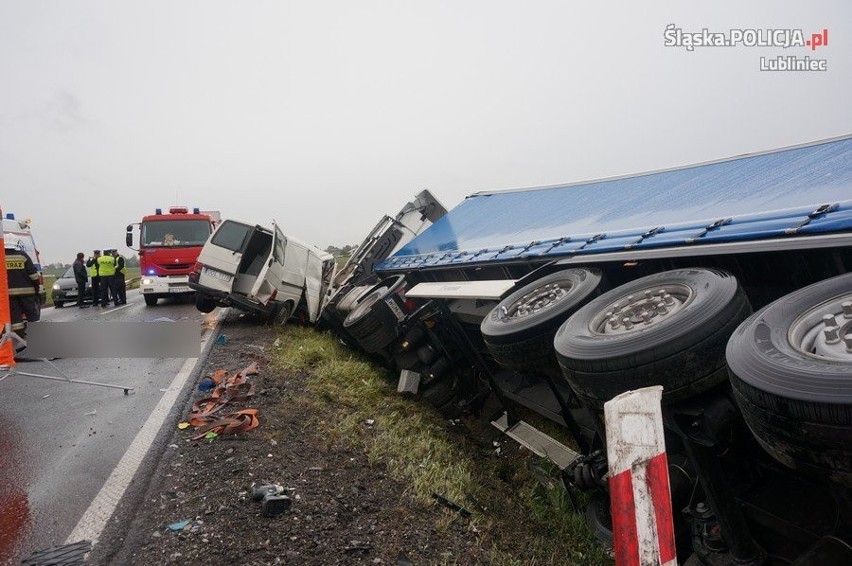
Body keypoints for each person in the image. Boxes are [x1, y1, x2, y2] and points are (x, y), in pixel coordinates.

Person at [4, 235, 41, 337]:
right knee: (32, 314)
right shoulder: (23, 256)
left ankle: (19, 336)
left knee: (15, 318)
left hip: (9, 294)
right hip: (27, 293)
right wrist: (36, 289)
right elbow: (33, 275)